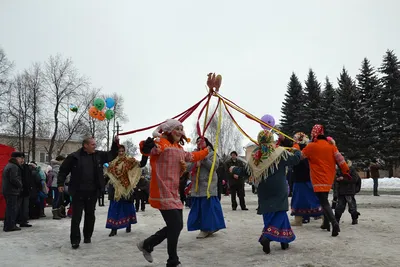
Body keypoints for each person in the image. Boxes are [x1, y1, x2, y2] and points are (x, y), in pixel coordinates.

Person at [137, 119, 209, 267]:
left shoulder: (178, 147)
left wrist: (206, 151)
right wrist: (146, 145)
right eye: (177, 128)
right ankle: (172, 261)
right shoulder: (162, 144)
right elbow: (149, 150)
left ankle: (148, 244)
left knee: (176, 226)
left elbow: (192, 157)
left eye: (181, 129)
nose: (180, 132)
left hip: (174, 192)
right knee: (175, 225)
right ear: (169, 131)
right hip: (162, 190)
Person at [229, 130, 300, 254]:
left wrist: (234, 169)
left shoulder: (255, 155)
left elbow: (246, 172)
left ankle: (284, 240)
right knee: (280, 212)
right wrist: (297, 149)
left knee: (268, 212)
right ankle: (267, 237)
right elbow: (294, 160)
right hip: (279, 188)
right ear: (271, 139)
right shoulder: (279, 152)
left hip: (263, 189)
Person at [57, 136, 119, 249]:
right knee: (76, 216)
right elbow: (63, 170)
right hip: (78, 192)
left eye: (95, 144)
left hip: (92, 191)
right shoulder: (74, 157)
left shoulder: (98, 155)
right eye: (93, 144)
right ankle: (75, 240)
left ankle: (87, 236)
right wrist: (60, 183)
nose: (95, 146)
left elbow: (112, 155)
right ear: (85, 145)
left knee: (90, 215)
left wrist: (115, 143)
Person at [301, 125, 350, 237]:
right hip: (328, 178)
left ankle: (334, 223)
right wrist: (346, 171)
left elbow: (299, 156)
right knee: (324, 200)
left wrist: (296, 147)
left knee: (323, 202)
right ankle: (326, 224)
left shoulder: (311, 146)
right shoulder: (331, 146)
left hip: (317, 179)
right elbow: (340, 160)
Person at [187, 137, 226, 239]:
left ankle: (206, 229)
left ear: (206, 142)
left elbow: (214, 167)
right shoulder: (193, 154)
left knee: (208, 208)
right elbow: (187, 167)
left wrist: (203, 158)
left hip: (208, 185)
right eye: (198, 141)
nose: (200, 143)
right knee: (198, 209)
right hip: (196, 186)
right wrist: (195, 162)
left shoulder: (212, 153)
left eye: (202, 141)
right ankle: (205, 228)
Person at [106, 145, 148, 237]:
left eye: (122, 151)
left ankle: (128, 225)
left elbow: (141, 164)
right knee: (115, 209)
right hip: (115, 190)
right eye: (119, 151)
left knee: (127, 208)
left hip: (126, 189)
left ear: (124, 151)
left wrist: (145, 153)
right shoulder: (112, 163)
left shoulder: (129, 161)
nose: (121, 153)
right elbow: (108, 175)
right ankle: (114, 229)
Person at [290, 132, 323, 226]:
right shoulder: (309, 147)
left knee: (300, 199)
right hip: (308, 178)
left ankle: (299, 219)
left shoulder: (299, 149)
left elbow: (298, 162)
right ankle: (300, 219)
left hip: (301, 178)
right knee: (312, 198)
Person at [2, 152, 24, 232]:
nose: (22, 160)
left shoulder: (9, 165)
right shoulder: (14, 166)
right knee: (12, 209)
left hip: (8, 190)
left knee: (9, 209)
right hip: (12, 191)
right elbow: (14, 178)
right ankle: (10, 226)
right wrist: (20, 184)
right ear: (17, 158)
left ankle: (8, 225)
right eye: (21, 158)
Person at [334, 160, 361, 225]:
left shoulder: (351, 170)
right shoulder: (338, 170)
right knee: (340, 207)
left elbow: (355, 179)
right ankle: (336, 220)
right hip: (341, 191)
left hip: (349, 191)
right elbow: (334, 179)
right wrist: (337, 180)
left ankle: (354, 219)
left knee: (352, 207)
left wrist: (343, 179)